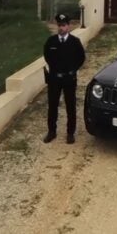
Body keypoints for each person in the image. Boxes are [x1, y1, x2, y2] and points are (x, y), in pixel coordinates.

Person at [43, 13, 85, 144]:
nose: (61, 28)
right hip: (54, 79)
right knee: (52, 106)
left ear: (69, 26)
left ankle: (70, 133)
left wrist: (73, 70)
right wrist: (54, 69)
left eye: (64, 25)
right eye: (59, 25)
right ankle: (51, 131)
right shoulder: (51, 41)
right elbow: (47, 56)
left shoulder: (75, 42)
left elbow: (81, 58)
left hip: (69, 79)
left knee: (70, 105)